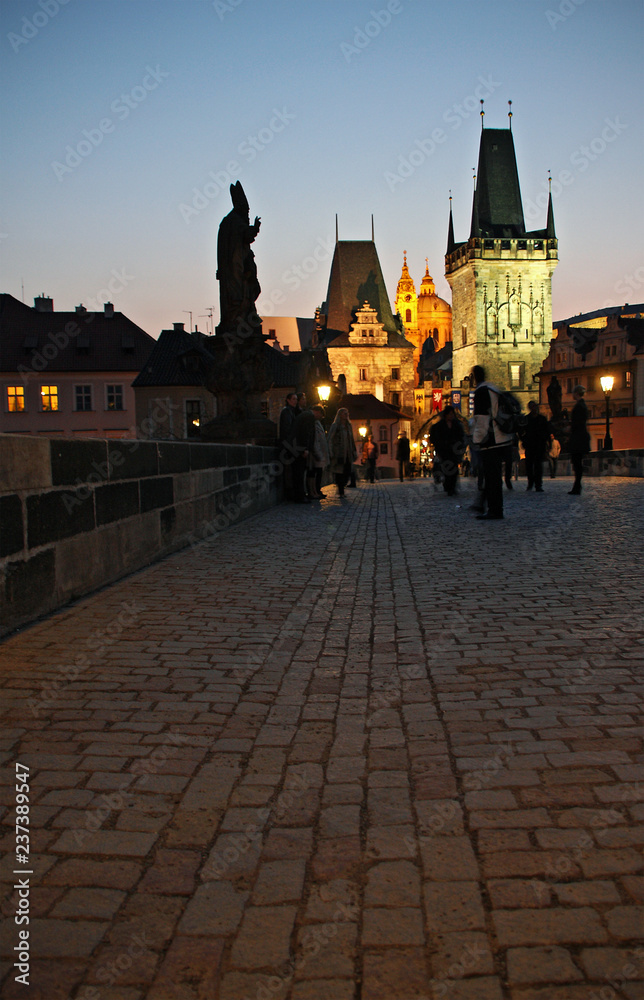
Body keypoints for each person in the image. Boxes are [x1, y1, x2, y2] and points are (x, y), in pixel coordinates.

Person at [470, 365, 514, 520]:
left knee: (492, 477)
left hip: (492, 440)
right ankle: (493, 508)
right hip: (503, 437)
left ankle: (495, 510)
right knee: (493, 477)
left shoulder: (481, 392)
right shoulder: (493, 388)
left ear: (474, 377)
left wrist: (476, 440)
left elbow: (481, 420)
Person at [429, 405, 465, 496]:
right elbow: (435, 438)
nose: (451, 416)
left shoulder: (457, 425)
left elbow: (461, 437)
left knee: (454, 468)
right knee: (446, 468)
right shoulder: (439, 426)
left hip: (454, 450)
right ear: (445, 415)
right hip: (444, 450)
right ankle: (448, 486)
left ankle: (452, 487)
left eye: (452, 414)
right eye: (449, 414)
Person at [521, 400, 550, 492]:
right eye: (533, 407)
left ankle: (538, 484)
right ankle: (531, 483)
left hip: (539, 445)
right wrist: (524, 441)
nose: (535, 408)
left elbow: (547, 432)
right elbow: (521, 432)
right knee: (529, 466)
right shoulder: (526, 419)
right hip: (530, 445)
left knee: (538, 466)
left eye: (535, 406)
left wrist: (547, 443)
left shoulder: (542, 419)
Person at [327, 408, 357, 496]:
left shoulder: (348, 426)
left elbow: (351, 440)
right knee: (339, 472)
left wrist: (354, 450)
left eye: (347, 413)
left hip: (348, 453)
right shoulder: (335, 426)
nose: (346, 415)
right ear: (340, 415)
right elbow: (330, 439)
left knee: (347, 471)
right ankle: (341, 490)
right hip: (338, 453)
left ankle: (342, 487)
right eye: (344, 414)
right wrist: (331, 452)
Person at [568, 384, 590, 495]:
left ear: (576, 393)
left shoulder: (579, 406)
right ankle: (577, 486)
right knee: (577, 463)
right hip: (581, 437)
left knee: (577, 463)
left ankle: (577, 486)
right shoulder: (582, 405)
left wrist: (569, 428)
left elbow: (577, 423)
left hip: (578, 438)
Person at [293, 404, 315, 503]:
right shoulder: (308, 417)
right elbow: (305, 433)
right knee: (299, 474)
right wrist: (305, 449)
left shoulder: (302, 416)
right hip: (299, 449)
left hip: (295, 447)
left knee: (298, 474)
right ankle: (300, 496)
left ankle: (299, 495)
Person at [278, 392, 299, 500]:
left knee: (290, 471)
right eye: (293, 399)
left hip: (289, 446)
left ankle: (291, 493)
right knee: (288, 471)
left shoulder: (290, 412)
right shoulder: (287, 412)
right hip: (288, 447)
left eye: (296, 399)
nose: (295, 401)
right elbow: (287, 431)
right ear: (288, 400)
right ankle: (290, 494)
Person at [306, 404, 329, 498]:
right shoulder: (313, 423)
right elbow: (315, 440)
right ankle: (313, 492)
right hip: (316, 453)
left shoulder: (317, 423)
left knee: (318, 473)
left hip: (319, 452)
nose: (321, 417)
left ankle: (316, 491)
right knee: (313, 473)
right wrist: (318, 453)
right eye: (321, 415)